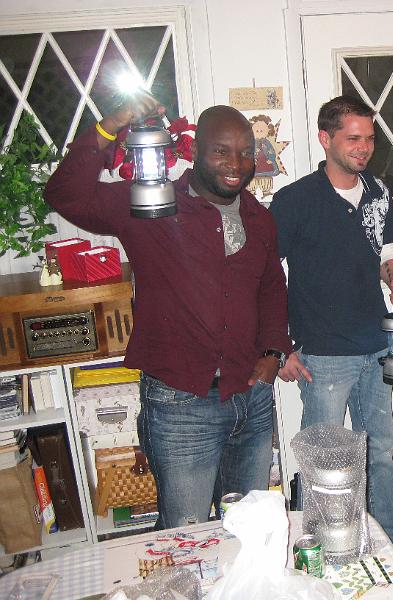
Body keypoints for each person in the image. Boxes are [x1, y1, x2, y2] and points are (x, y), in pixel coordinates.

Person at [45, 98, 292, 528]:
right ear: (194, 152)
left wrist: (273, 349)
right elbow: (64, 194)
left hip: (251, 399)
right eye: (221, 150)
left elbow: (271, 287)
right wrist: (112, 125)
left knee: (249, 529)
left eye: (246, 152)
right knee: (185, 534)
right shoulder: (149, 203)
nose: (236, 163)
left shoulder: (259, 217)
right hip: (181, 404)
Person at [270, 95, 393, 545]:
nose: (363, 147)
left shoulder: (377, 191)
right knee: (326, 460)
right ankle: (324, 546)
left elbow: (385, 250)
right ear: (324, 139)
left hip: (377, 344)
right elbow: (265, 276)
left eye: (369, 138)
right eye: (353, 138)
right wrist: (279, 346)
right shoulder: (294, 200)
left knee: (381, 452)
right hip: (324, 353)